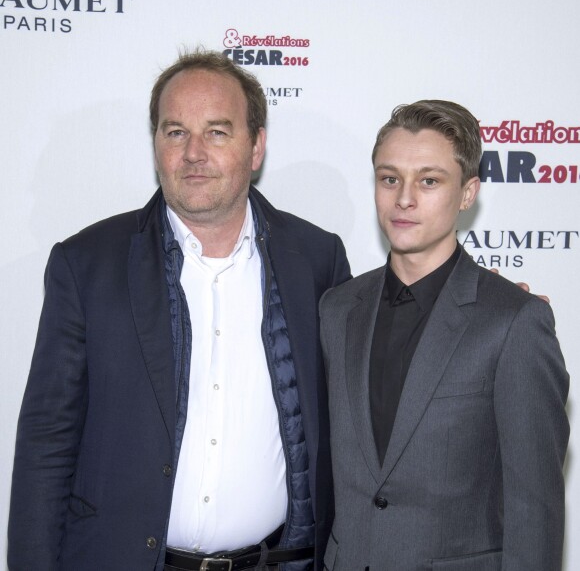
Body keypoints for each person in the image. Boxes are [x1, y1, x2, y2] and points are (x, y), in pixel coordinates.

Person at [8, 49, 351, 571]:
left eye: (217, 132)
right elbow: (46, 445)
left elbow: (360, 407)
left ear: (255, 146)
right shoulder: (86, 265)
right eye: (175, 132)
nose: (194, 153)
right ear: (156, 145)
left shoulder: (317, 260)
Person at [319, 100, 569, 571]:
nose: (404, 199)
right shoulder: (337, 310)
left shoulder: (514, 322)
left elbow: (534, 509)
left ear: (467, 192)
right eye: (389, 178)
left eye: (429, 181)